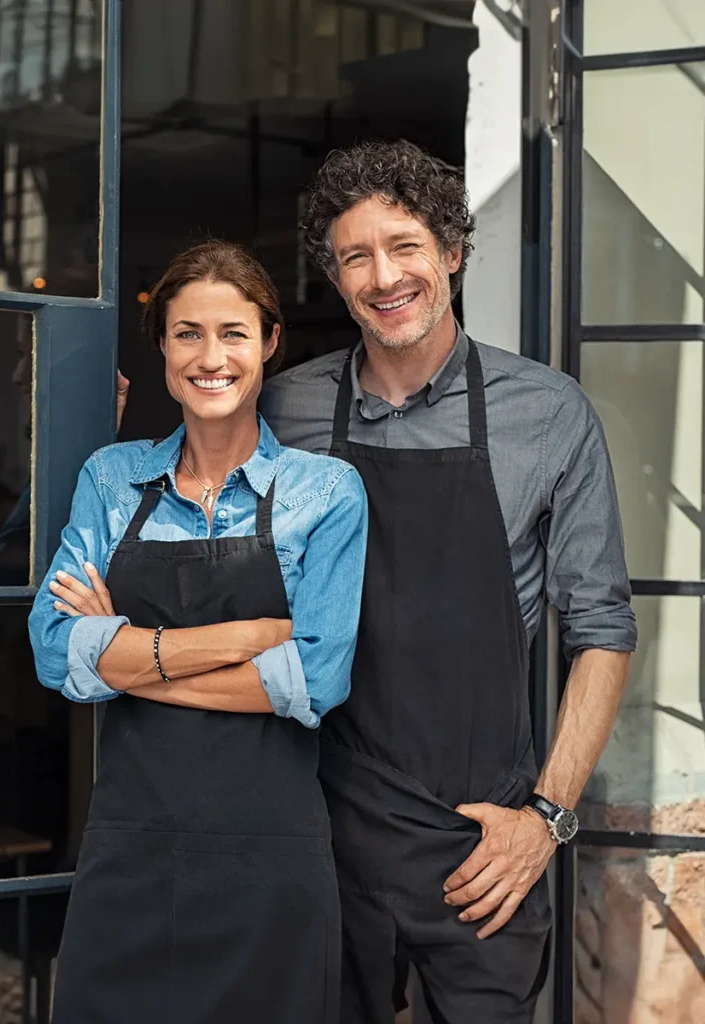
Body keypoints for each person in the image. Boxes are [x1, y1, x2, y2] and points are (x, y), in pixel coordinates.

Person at [258, 139, 636, 1022]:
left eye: (405, 247)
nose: (385, 276)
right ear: (336, 277)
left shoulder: (547, 414)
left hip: (484, 847)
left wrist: (546, 820)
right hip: (323, 832)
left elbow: (603, 631)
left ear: (453, 253)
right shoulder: (286, 409)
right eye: (357, 256)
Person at [28, 240, 367, 1023]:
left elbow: (315, 681)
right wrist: (245, 638)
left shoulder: (325, 492)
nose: (210, 357)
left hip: (270, 863)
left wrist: (126, 656)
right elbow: (54, 648)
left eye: (233, 333)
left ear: (270, 342)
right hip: (129, 853)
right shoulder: (112, 480)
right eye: (187, 333)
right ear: (162, 347)